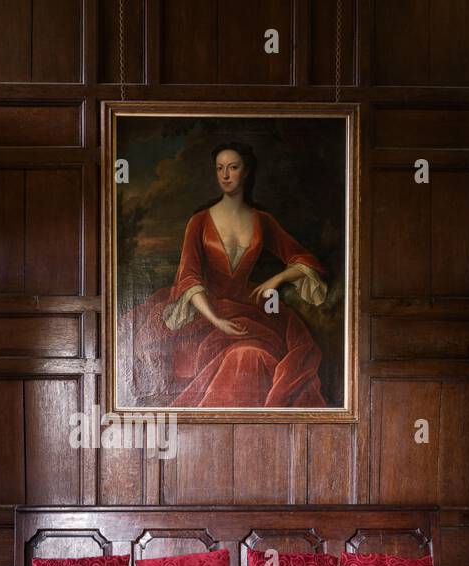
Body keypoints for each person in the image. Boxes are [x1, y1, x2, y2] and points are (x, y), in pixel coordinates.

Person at [127, 142, 330, 408]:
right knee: (239, 358)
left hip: (251, 310)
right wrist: (216, 320)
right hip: (205, 311)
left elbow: (303, 259)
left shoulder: (262, 221)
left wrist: (276, 279)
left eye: (232, 168)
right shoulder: (199, 221)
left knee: (256, 357)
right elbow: (189, 276)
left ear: (246, 172)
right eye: (220, 168)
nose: (225, 175)